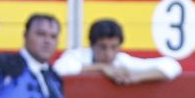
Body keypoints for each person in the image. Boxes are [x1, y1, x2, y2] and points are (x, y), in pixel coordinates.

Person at [51, 17, 182, 84]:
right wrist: (101, 68)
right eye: (103, 47)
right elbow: (59, 69)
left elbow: (172, 65)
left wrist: (135, 78)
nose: (109, 54)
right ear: (91, 45)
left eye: (114, 47)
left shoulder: (122, 61)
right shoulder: (78, 55)